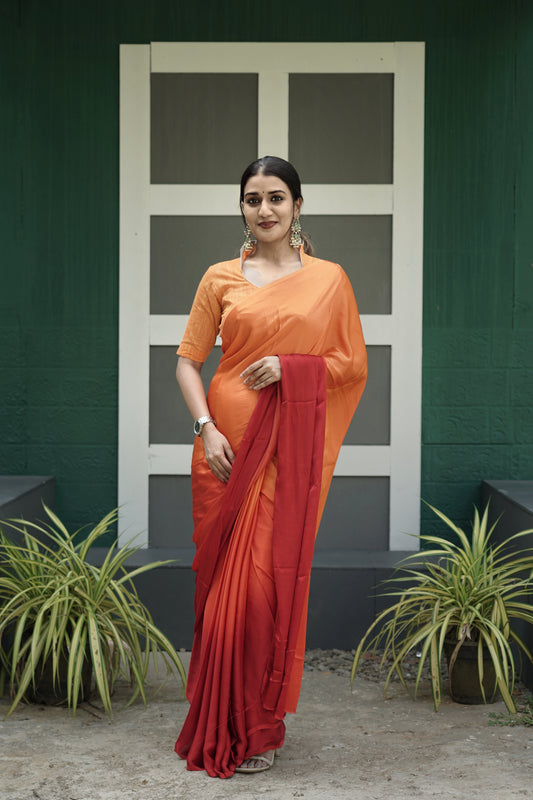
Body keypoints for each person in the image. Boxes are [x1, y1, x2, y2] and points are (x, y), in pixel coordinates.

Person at [174, 156, 367, 778]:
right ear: (242, 207)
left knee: (263, 591)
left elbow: (350, 365)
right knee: (221, 595)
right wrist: (205, 430)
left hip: (285, 454)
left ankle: (257, 727)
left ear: (298, 206)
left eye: (276, 198)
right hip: (224, 452)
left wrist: (292, 368)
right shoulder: (219, 278)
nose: (264, 210)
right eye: (253, 199)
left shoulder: (331, 280)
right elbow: (188, 361)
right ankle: (222, 717)